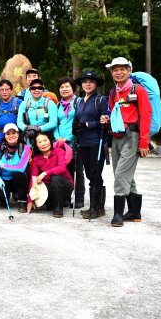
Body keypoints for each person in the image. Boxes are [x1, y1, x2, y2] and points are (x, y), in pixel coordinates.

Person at [102, 57, 151, 227]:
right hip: (116, 136)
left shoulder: (138, 90)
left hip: (132, 136)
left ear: (129, 71)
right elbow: (113, 112)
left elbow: (146, 115)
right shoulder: (113, 92)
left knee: (121, 174)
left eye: (122, 69)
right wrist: (106, 119)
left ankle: (118, 214)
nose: (119, 72)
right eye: (115, 70)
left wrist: (144, 142)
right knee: (122, 174)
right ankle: (134, 212)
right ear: (112, 73)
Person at [73, 70, 109, 220]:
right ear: (82, 84)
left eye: (91, 81)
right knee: (89, 174)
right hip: (82, 143)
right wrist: (75, 128)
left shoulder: (100, 100)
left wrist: (88, 124)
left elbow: (104, 121)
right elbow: (76, 119)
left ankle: (95, 208)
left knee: (95, 174)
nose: (88, 84)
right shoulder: (80, 101)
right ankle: (98, 207)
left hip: (96, 142)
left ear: (95, 84)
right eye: (85, 82)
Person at [54, 77, 85, 209]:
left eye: (67, 86)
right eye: (62, 87)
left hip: (75, 141)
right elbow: (55, 123)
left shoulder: (79, 102)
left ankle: (79, 198)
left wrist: (67, 138)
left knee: (77, 170)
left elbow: (80, 123)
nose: (64, 89)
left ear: (73, 88)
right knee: (64, 169)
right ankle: (66, 197)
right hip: (60, 143)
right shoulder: (58, 105)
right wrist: (58, 138)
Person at [29, 132, 74, 217]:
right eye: (40, 142)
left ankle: (58, 207)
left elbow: (62, 168)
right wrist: (30, 200)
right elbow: (33, 179)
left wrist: (45, 173)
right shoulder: (36, 159)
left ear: (50, 141)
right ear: (36, 145)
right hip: (49, 187)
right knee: (42, 188)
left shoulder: (59, 151)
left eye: (45, 140)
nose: (43, 144)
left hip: (65, 185)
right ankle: (52, 202)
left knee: (55, 178)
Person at [0, 123, 31, 213]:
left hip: (18, 179)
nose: (11, 136)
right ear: (4, 136)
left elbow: (21, 168)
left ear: (18, 134)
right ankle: (5, 198)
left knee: (19, 175)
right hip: (4, 179)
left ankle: (22, 200)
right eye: (8, 134)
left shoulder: (25, 148)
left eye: (14, 133)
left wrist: (3, 166)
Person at [17, 78, 58, 143]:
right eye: (33, 88)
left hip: (46, 140)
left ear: (43, 89)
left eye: (39, 88)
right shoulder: (24, 104)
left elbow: (54, 122)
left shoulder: (50, 103)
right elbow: (19, 121)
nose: (37, 90)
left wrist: (39, 129)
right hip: (29, 138)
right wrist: (26, 128)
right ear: (30, 89)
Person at [0, 79, 20, 145]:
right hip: (0, 138)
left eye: (7, 89)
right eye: (2, 90)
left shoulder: (19, 103)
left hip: (16, 138)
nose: (4, 92)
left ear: (11, 90)